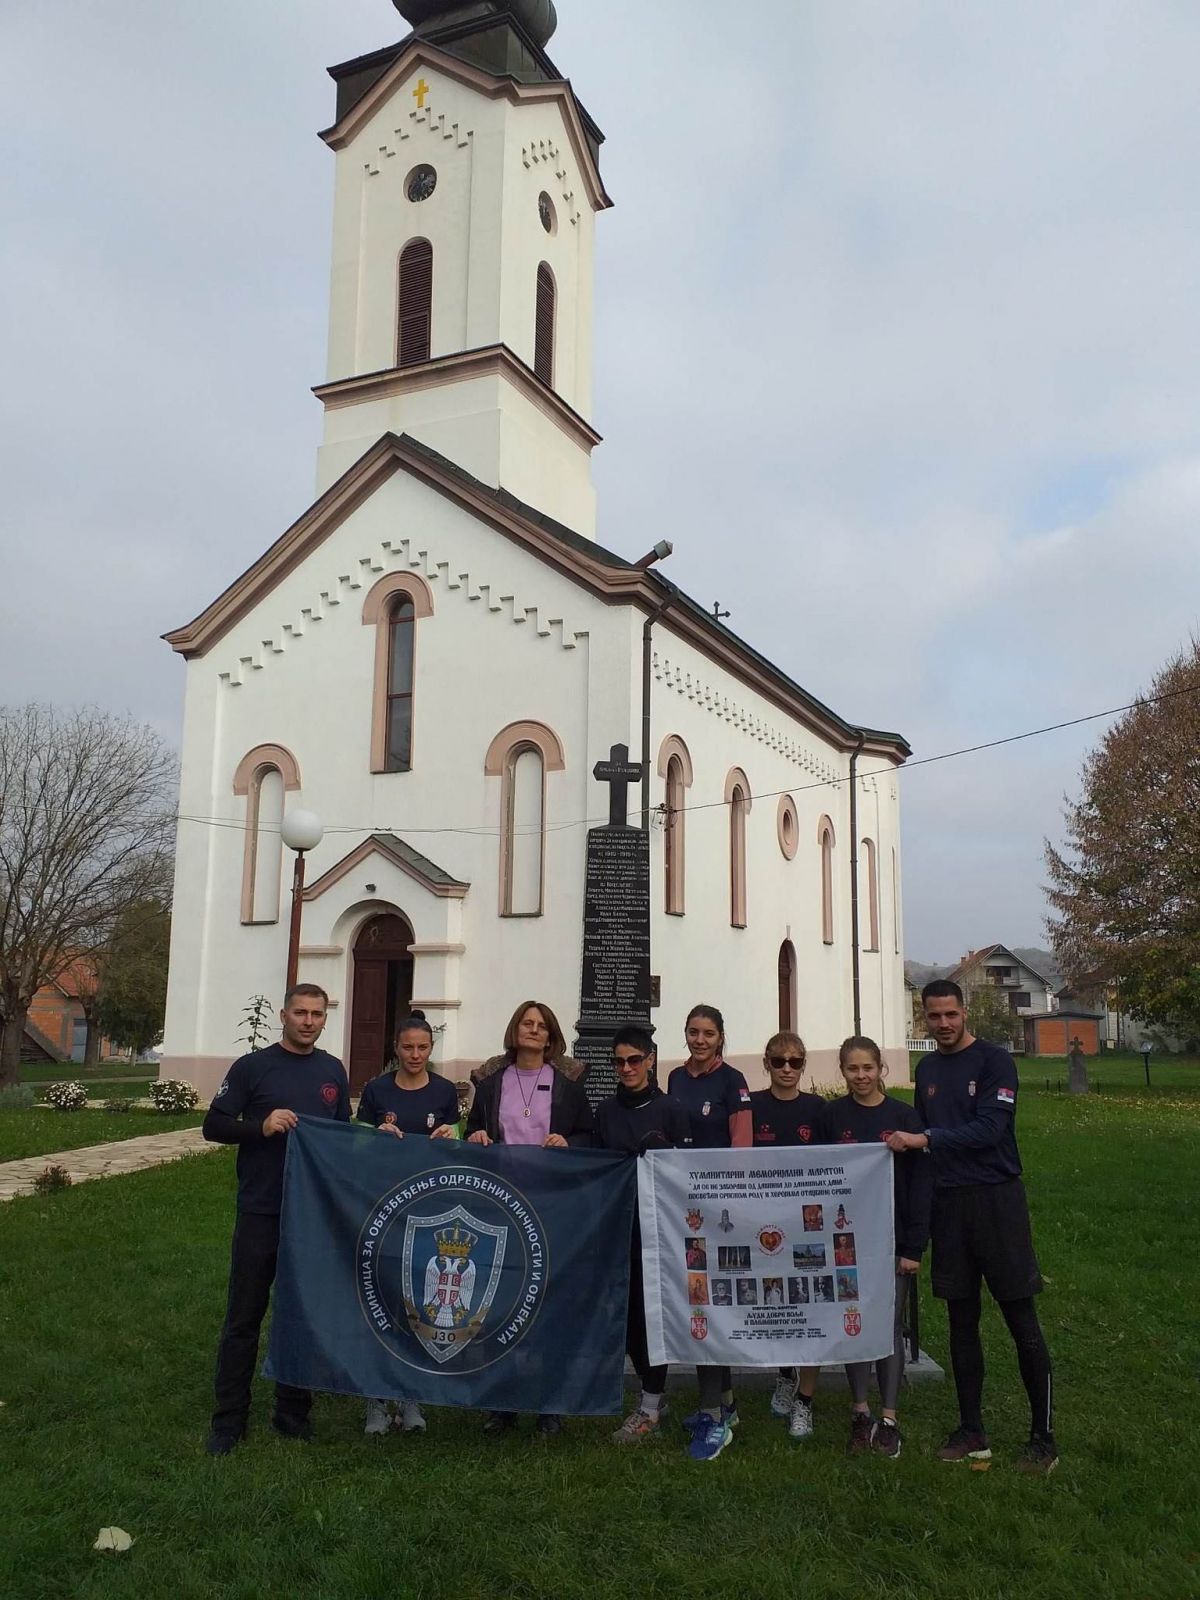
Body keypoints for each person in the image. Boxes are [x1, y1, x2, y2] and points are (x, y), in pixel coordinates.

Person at [887, 980, 1058, 1474]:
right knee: (961, 1322)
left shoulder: (994, 1062)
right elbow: (918, 1137)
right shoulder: (929, 1069)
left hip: (997, 1202)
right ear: (924, 1017)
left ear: (965, 1014)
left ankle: (1043, 1437)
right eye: (933, 1016)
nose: (942, 1024)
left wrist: (924, 1139)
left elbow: (991, 1130)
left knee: (1019, 1319)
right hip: (949, 1207)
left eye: (950, 1015)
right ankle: (971, 1429)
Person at [202, 984, 350, 1455]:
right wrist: (259, 1127)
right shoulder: (253, 1067)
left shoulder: (332, 1070)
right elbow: (214, 1125)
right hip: (261, 1208)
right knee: (244, 1316)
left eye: (317, 1014)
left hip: (310, 1215)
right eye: (300, 1013)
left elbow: (340, 1136)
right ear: (284, 1015)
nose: (308, 1021)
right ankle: (229, 1420)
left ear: (325, 1019)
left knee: (301, 1314)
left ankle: (292, 1412)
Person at [465, 1000, 594, 1437]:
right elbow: (472, 1134)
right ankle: (502, 1401)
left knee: (545, 1306)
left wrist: (568, 1140)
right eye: (527, 1023)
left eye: (541, 1026)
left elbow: (587, 1135)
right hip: (501, 1206)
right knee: (500, 1304)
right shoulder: (490, 1084)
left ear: (551, 1035)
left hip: (549, 1205)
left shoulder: (568, 1086)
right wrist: (476, 1135)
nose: (533, 1031)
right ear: (515, 1029)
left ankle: (548, 1402)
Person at [824, 1035, 932, 1459]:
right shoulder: (834, 1117)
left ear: (881, 1068)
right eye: (853, 1069)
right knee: (853, 1321)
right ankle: (860, 1412)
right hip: (846, 1241)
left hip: (892, 1238)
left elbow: (921, 1186)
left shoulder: (905, 1116)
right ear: (843, 1071)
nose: (861, 1076)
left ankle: (889, 1419)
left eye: (868, 1068)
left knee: (888, 1326)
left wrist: (914, 1247)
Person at [355, 1010, 460, 1436]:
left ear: (431, 1049)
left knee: (418, 1302)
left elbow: (457, 1146)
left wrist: (452, 1134)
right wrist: (374, 1135)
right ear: (395, 1049)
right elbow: (356, 1143)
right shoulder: (377, 1090)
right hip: (383, 1207)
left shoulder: (444, 1092)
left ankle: (411, 1396)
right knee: (380, 1300)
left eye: (422, 1047)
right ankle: (377, 1401)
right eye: (407, 1047)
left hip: (429, 1213)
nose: (415, 1054)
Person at [594, 1024, 692, 1444]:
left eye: (635, 1059)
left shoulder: (670, 1109)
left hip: (659, 1229)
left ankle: (650, 1405)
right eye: (620, 1061)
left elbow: (688, 1170)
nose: (627, 1068)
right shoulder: (606, 1112)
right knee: (629, 1313)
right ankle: (654, 1392)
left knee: (655, 1314)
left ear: (651, 1060)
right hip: (618, 1224)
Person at [666, 1004, 752, 1462]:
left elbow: (742, 1147)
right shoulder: (677, 1079)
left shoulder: (731, 1081)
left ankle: (714, 1419)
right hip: (685, 1207)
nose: (700, 1040)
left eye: (708, 1034)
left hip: (718, 1209)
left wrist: (728, 1200)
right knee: (697, 1300)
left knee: (709, 1305)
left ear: (720, 1038)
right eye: (693, 1032)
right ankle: (727, 1404)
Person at [749, 1029, 825, 1442]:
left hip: (806, 1226)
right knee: (777, 1305)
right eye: (778, 1061)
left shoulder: (817, 1109)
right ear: (766, 1064)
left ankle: (805, 1401)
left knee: (810, 1307)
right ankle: (784, 1374)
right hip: (764, 1227)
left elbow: (838, 1166)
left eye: (795, 1062)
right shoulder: (753, 1106)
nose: (787, 1069)